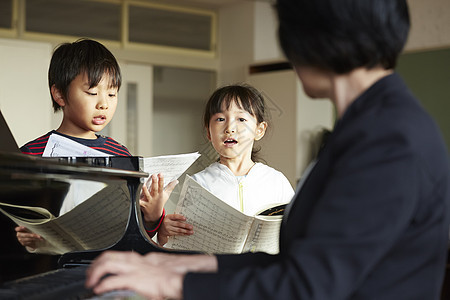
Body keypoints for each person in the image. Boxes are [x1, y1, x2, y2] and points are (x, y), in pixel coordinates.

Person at [85, 0, 450, 299]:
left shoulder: (388, 139)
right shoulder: (374, 124)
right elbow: (304, 264)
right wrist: (189, 265)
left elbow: (309, 285)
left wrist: (174, 282)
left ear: (317, 37)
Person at [15, 38, 175, 253]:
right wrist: (25, 237)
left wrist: (153, 216)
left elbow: (133, 233)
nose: (104, 104)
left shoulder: (120, 155)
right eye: (92, 93)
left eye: (112, 93)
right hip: (51, 272)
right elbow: (15, 224)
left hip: (111, 269)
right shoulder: (32, 154)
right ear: (60, 94)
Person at [157, 84, 295, 245]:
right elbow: (182, 243)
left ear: (260, 130)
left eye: (241, 119)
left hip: (264, 269)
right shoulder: (197, 184)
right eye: (220, 119)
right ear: (209, 132)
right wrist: (165, 232)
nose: (230, 128)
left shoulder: (276, 182)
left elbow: (298, 232)